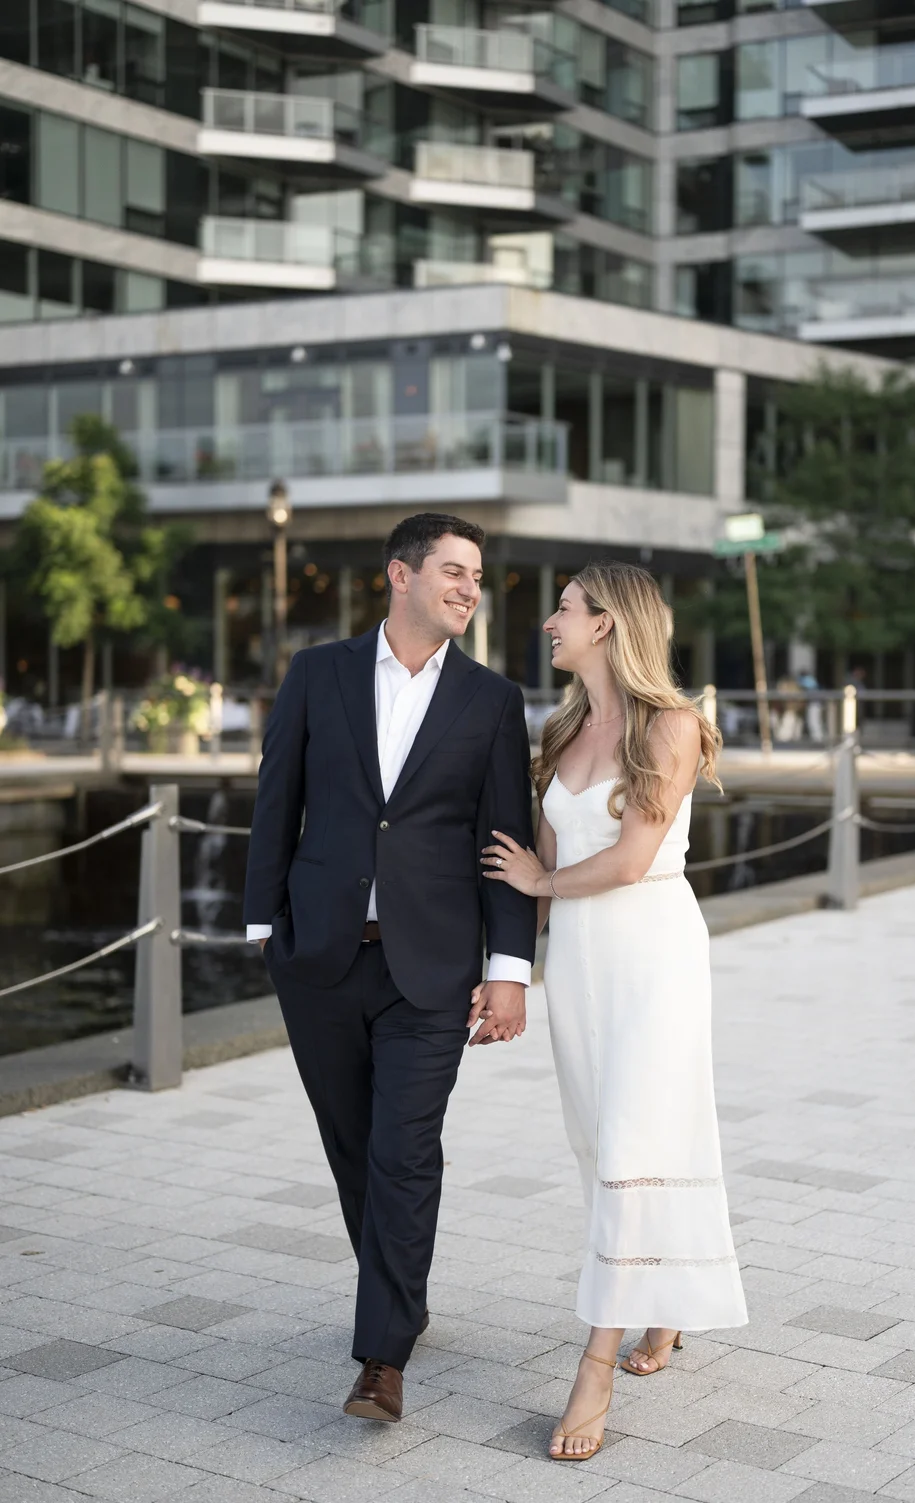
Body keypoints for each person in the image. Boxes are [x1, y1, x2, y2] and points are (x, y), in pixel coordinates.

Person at [243, 513, 536, 1423]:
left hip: (432, 968)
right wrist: (265, 931)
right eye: (453, 570)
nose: (468, 588)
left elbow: (504, 838)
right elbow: (275, 797)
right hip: (321, 958)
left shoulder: (491, 699)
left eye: (477, 576)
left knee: (403, 1150)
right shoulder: (317, 672)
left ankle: (381, 1359)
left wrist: (510, 966)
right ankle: (400, 1293)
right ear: (398, 576)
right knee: (352, 1148)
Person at [479, 561, 747, 1462]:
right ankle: (663, 1305)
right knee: (603, 1144)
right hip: (582, 966)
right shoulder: (560, 728)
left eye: (563, 608)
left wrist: (541, 879)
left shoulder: (671, 724)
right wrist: (503, 967)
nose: (549, 621)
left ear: (607, 624)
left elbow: (631, 859)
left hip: (654, 955)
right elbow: (538, 876)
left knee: (636, 1138)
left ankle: (593, 1364)